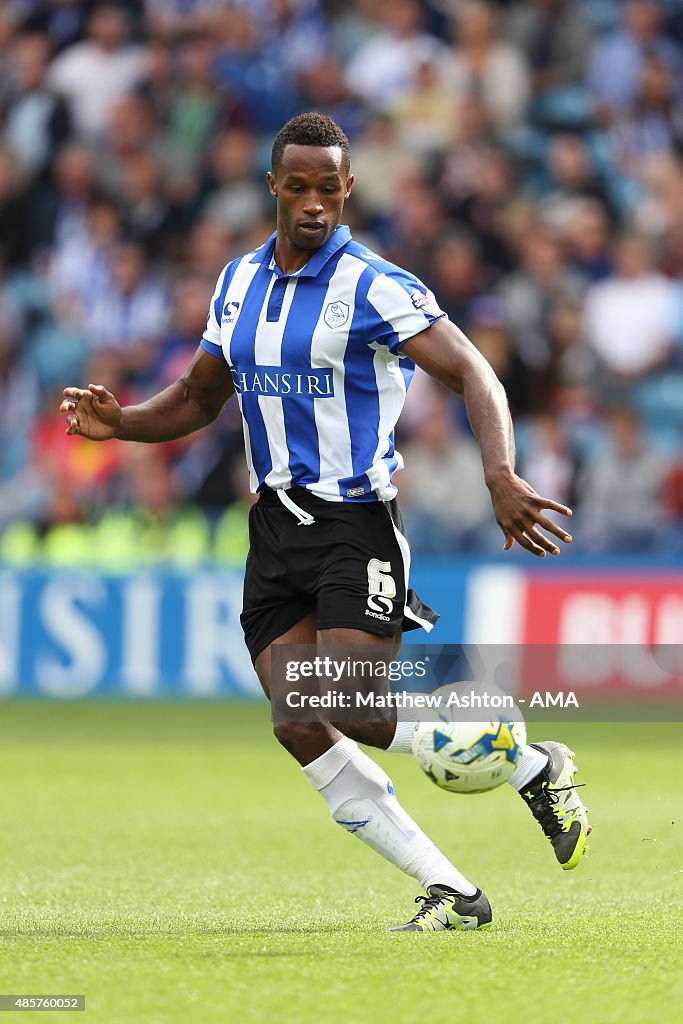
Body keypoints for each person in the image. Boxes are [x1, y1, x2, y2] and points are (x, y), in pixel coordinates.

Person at [60, 112, 590, 933]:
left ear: (348, 189)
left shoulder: (376, 284)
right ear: (274, 187)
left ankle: (527, 760)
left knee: (342, 700)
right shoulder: (236, 282)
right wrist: (122, 423)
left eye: (328, 187)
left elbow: (472, 371)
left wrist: (498, 472)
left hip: (354, 526)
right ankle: (455, 888)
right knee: (298, 720)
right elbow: (201, 396)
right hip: (273, 531)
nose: (313, 202)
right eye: (297, 186)